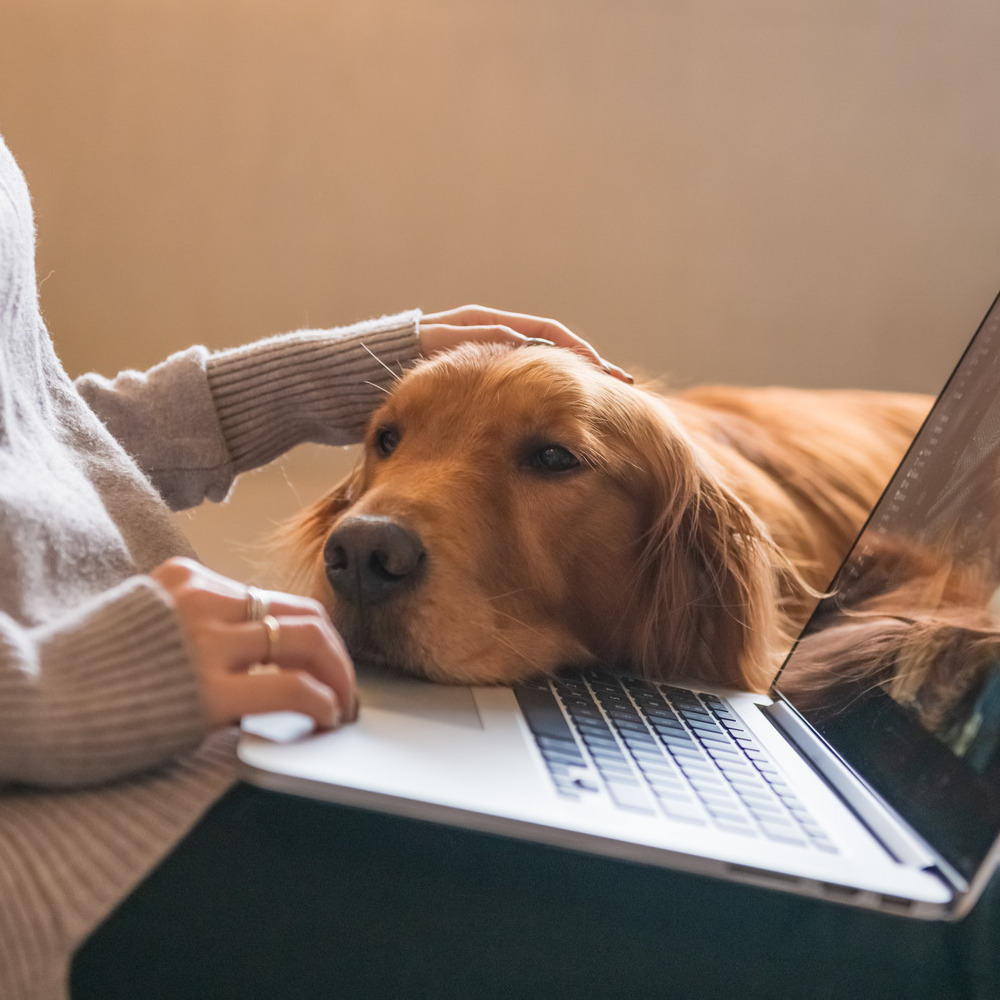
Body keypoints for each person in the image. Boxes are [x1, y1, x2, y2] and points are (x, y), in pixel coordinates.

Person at [0, 130, 629, 1000]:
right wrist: (52, 685)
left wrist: (329, 381)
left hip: (185, 718)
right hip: (73, 851)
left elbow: (25, 420)